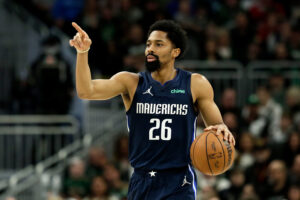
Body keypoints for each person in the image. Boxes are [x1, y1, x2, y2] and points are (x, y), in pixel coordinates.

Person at [69, 19, 235, 200]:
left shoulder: (196, 84)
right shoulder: (131, 82)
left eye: (158, 44)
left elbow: (217, 127)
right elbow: (86, 91)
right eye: (148, 44)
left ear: (175, 52)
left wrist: (222, 128)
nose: (150, 49)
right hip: (142, 179)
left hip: (179, 182)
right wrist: (82, 52)